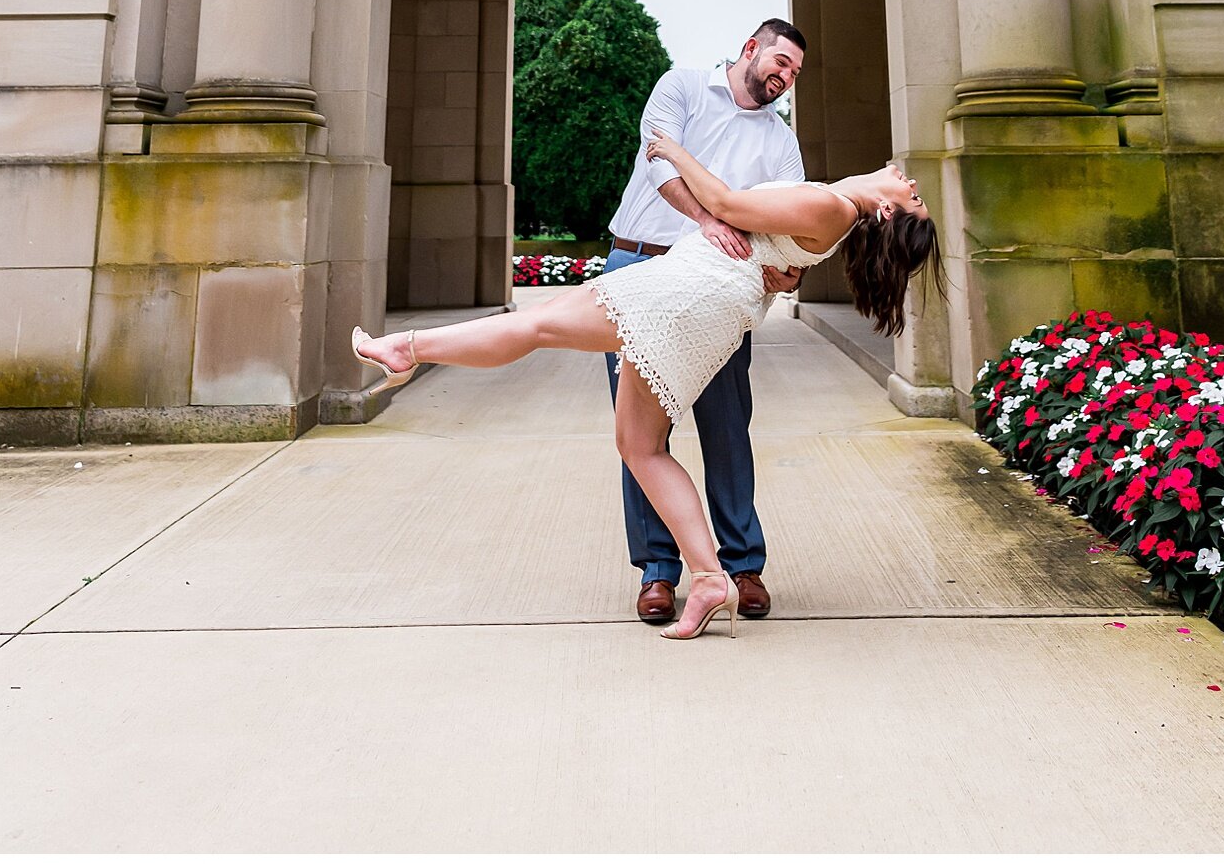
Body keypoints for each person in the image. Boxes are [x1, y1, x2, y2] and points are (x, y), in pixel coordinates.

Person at [351, 134, 942, 642]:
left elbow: (727, 203)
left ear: (888, 215)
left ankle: (406, 350)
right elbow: (771, 246)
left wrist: (673, 151)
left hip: (687, 294)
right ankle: (709, 580)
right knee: (639, 446)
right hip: (704, 298)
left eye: (912, 197)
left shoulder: (831, 206)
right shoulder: (831, 206)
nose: (909, 180)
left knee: (538, 325)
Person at [599, 21, 809, 629]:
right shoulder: (682, 88)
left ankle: (743, 566)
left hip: (718, 289)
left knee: (725, 426)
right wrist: (706, 221)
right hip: (640, 265)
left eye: (794, 73)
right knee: (641, 436)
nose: (785, 76)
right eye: (780, 61)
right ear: (750, 49)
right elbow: (660, 166)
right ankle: (658, 574)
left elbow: (788, 220)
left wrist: (785, 270)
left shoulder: (781, 142)